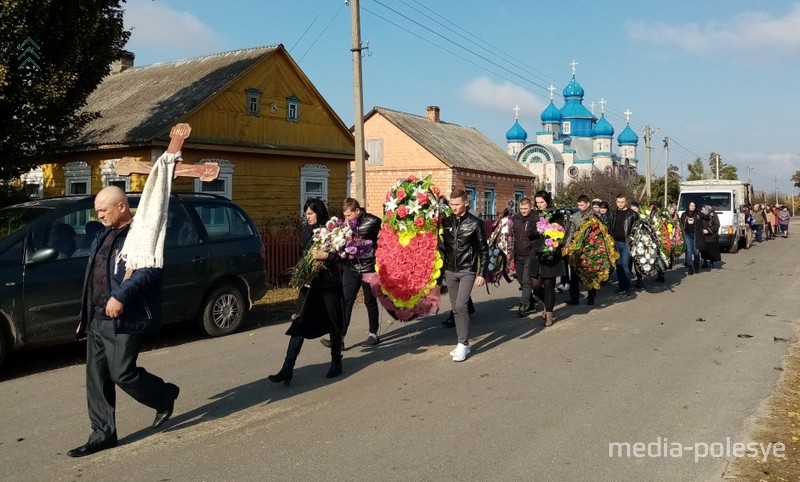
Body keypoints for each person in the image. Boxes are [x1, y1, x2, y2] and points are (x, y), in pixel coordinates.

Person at [68, 186, 179, 458]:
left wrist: (120, 296)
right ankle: (102, 434)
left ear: (121, 206)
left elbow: (149, 271)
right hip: (97, 318)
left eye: (103, 210)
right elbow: (94, 277)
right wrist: (84, 315)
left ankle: (163, 396)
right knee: (97, 378)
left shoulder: (141, 235)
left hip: (123, 316)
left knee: (122, 373)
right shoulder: (103, 234)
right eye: (97, 210)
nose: (99, 215)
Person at [269, 199, 344, 385]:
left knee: (333, 323)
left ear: (319, 212)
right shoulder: (307, 232)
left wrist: (327, 256)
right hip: (310, 284)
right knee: (299, 323)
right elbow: (304, 255)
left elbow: (343, 255)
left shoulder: (333, 230)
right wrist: (304, 273)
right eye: (306, 214)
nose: (307, 217)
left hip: (329, 285)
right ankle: (287, 368)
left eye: (310, 213)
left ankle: (336, 361)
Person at [321, 198, 381, 348]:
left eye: (349, 215)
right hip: (351, 267)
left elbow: (383, 240)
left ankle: (373, 334)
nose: (347, 218)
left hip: (368, 268)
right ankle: (339, 338)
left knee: (369, 301)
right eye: (345, 216)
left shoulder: (373, 221)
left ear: (357, 210)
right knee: (345, 301)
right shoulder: (344, 225)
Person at [441, 189, 489, 362]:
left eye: (457, 204)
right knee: (456, 308)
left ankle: (462, 343)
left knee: (461, 305)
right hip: (450, 270)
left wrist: (481, 273)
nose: (454, 207)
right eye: (451, 204)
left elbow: (484, 250)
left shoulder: (475, 223)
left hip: (467, 269)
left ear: (466, 203)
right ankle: (463, 343)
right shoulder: (446, 221)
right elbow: (441, 246)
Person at [528, 191, 566, 327]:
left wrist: (552, 232)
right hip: (537, 253)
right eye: (537, 202)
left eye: (542, 202)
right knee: (535, 285)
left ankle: (549, 313)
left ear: (547, 201)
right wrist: (538, 230)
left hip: (551, 253)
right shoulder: (534, 215)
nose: (539, 205)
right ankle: (546, 302)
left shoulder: (556, 214)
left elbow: (561, 231)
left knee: (549, 284)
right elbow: (529, 233)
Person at [564, 194, 598, 306]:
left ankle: (591, 296)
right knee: (574, 274)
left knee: (589, 274)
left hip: (590, 248)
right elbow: (570, 232)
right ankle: (574, 298)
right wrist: (567, 246)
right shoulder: (574, 217)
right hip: (576, 248)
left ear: (588, 204)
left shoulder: (595, 216)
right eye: (578, 205)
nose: (580, 207)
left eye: (582, 205)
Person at [511, 197, 537, 316]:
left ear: (530, 207)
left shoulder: (535, 219)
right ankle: (531, 303)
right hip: (518, 254)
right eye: (521, 208)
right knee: (521, 280)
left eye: (526, 208)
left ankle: (523, 306)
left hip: (530, 254)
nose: (523, 211)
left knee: (526, 282)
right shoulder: (515, 219)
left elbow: (537, 234)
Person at [606, 194, 637, 295]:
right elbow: (609, 227)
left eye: (622, 202)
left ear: (626, 202)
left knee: (625, 264)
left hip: (627, 243)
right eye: (618, 202)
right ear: (616, 202)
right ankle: (621, 287)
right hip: (615, 243)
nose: (620, 204)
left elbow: (636, 229)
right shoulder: (612, 214)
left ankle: (628, 287)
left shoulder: (632, 214)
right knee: (618, 266)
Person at [679, 201, 704, 274]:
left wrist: (711, 213)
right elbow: (680, 224)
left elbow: (706, 218)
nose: (692, 207)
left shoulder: (698, 214)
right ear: (688, 206)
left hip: (696, 234)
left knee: (696, 251)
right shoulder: (684, 214)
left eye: (694, 206)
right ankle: (690, 267)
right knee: (689, 250)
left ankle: (696, 265)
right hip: (687, 235)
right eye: (691, 206)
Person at [699, 205, 721, 269]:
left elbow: (717, 225)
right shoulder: (701, 216)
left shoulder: (714, 215)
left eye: (704, 210)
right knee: (704, 250)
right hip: (704, 236)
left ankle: (711, 262)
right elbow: (699, 224)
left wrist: (708, 230)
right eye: (702, 210)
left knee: (712, 250)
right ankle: (705, 262)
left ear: (707, 210)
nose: (702, 211)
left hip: (712, 236)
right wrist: (702, 230)